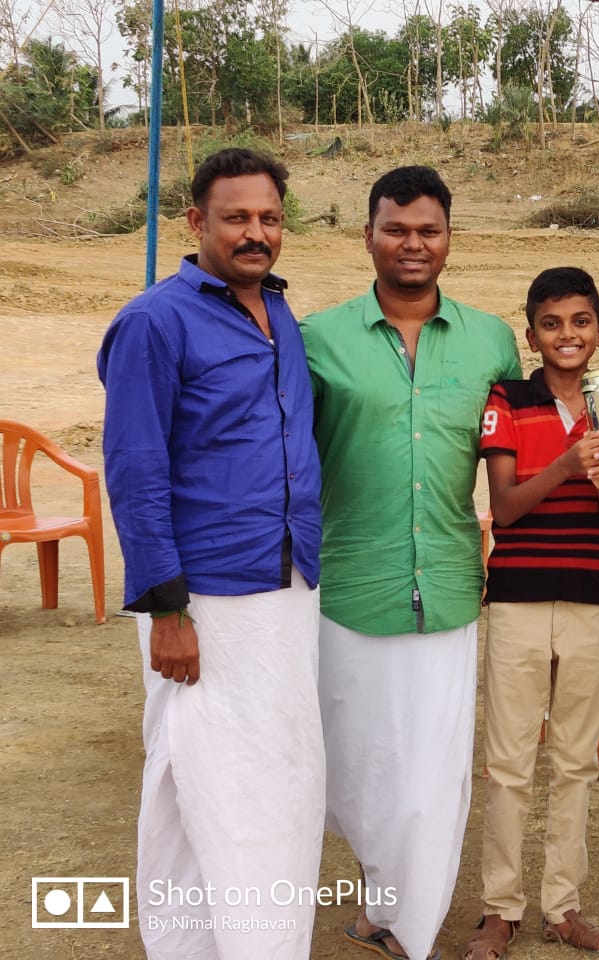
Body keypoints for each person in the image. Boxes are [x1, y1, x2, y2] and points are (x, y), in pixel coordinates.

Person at [98, 148, 325, 960]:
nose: (255, 233)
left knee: (275, 787)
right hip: (207, 603)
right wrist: (166, 609)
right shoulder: (154, 322)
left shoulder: (280, 314)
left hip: (288, 585)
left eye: (268, 217)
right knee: (213, 792)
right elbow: (133, 470)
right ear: (195, 222)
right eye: (236, 217)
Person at [301, 166, 522, 960]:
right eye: (396, 228)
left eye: (428, 230)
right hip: (349, 585)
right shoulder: (315, 340)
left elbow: (521, 452)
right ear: (368, 235)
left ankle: (411, 924)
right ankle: (374, 895)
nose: (412, 243)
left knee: (432, 770)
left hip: (452, 585)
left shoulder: (493, 340)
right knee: (359, 762)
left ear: (449, 239)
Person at [465, 267, 599, 960]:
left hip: (586, 593)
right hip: (516, 595)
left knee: (575, 761)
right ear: (532, 333)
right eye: (552, 323)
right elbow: (506, 509)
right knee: (510, 761)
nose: (567, 335)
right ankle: (499, 908)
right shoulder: (509, 399)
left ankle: (562, 905)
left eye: (580, 322)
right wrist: (570, 465)